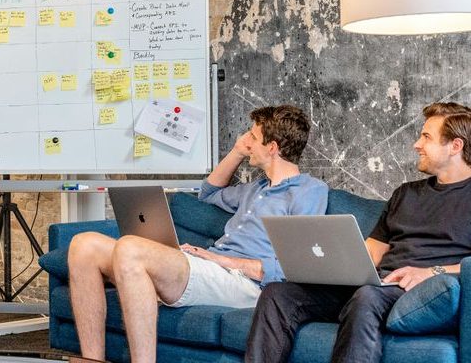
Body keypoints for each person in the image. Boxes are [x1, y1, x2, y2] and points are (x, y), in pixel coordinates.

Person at [68, 104, 329, 363]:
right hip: (211, 268)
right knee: (84, 245)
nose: (246, 140)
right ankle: (92, 360)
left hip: (244, 283)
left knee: (130, 248)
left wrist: (226, 261)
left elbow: (298, 264)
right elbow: (208, 193)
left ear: (272, 147)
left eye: (252, 136)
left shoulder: (308, 191)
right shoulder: (255, 189)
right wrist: (237, 152)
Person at [245, 101, 471, 363]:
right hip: (379, 284)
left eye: (426, 137)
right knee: (278, 293)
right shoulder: (406, 194)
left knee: (367, 296)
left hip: (420, 290)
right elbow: (372, 251)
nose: (416, 144)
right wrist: (334, 267)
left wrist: (431, 272)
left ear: (455, 146)